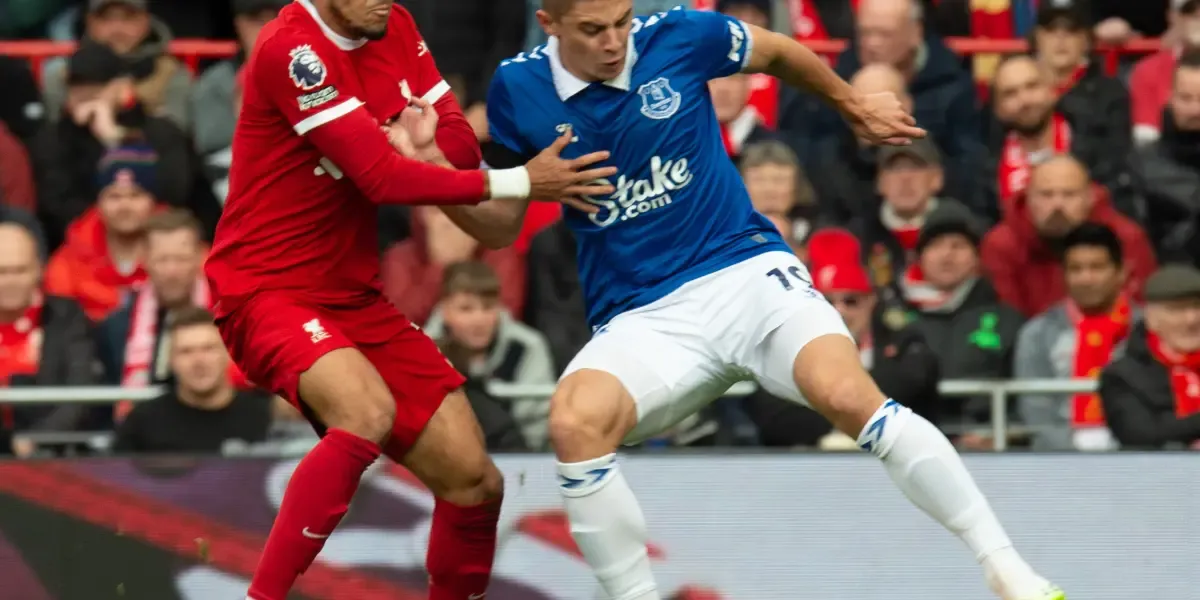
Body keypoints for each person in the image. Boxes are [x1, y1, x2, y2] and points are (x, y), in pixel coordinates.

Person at [469, 2, 1063, 599]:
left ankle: (1008, 570)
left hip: (745, 274)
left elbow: (775, 50)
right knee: (573, 422)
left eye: (621, 20)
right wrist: (489, 182)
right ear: (548, 23)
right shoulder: (517, 88)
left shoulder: (677, 34)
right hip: (643, 316)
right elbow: (497, 229)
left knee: (849, 396)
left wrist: (851, 104)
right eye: (593, 30)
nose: (613, 40)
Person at [204, 1, 616, 599]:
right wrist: (523, 180)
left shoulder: (392, 22)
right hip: (266, 287)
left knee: (474, 481)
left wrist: (427, 152)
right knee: (365, 415)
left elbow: (456, 138)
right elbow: (380, 179)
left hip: (353, 294)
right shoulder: (291, 50)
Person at [1016, 223, 1136, 451]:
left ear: (1121, 272)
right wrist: (1073, 455)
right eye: (1075, 269)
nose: (1085, 279)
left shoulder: (1144, 328)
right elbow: (1036, 411)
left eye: (1097, 268)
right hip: (1059, 457)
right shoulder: (1037, 334)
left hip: (1136, 452)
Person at [112, 306, 273, 454]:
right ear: (171, 360)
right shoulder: (143, 422)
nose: (199, 361)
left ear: (228, 354)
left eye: (208, 349)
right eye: (186, 351)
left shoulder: (264, 416)